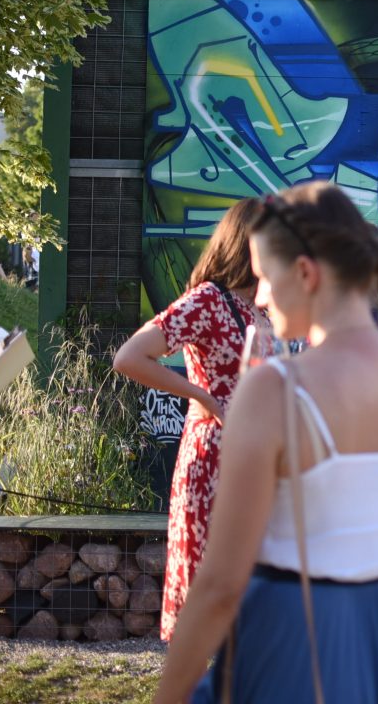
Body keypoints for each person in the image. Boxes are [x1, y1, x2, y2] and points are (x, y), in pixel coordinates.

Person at [153, 182, 378, 704]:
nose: (261, 297)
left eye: (265, 277)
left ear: (306, 274)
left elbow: (220, 585)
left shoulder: (276, 389)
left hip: (304, 642)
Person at [113, 197, 268, 642]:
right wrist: (199, 394)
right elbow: (129, 356)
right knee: (213, 602)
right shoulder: (208, 300)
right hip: (216, 459)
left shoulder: (262, 307)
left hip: (257, 463)